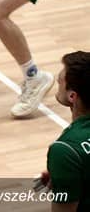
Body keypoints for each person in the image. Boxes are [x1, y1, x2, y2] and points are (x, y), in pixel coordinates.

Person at [36, 51, 90, 210]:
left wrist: (64, 167)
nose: (57, 80)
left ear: (72, 96)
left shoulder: (65, 150)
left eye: (60, 80)